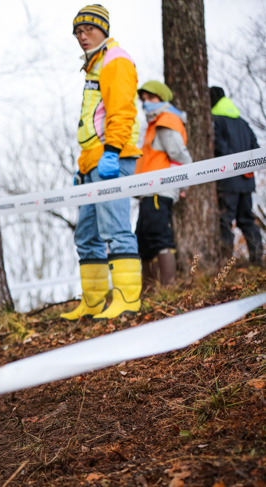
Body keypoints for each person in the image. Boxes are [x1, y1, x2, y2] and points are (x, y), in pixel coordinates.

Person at [61, 5, 143, 321]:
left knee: (115, 228)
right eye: (78, 32)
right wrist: (83, 167)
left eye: (88, 30)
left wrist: (112, 151)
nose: (82, 36)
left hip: (113, 158)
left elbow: (122, 111)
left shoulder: (115, 59)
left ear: (103, 29)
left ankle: (127, 301)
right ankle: (93, 303)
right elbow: (91, 121)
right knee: (86, 234)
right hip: (93, 163)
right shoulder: (94, 64)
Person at [134, 80, 192, 289]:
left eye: (151, 98)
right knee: (144, 240)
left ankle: (168, 288)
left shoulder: (166, 121)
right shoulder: (153, 124)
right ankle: (149, 291)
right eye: (143, 99)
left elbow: (181, 156)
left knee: (159, 238)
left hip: (160, 190)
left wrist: (183, 185)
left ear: (162, 98)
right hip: (148, 193)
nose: (146, 103)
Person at [210, 86, 262, 265]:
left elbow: (219, 148)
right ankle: (257, 261)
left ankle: (225, 264)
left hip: (227, 182)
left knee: (224, 221)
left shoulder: (215, 120)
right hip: (246, 181)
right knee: (247, 220)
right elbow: (256, 149)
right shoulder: (242, 122)